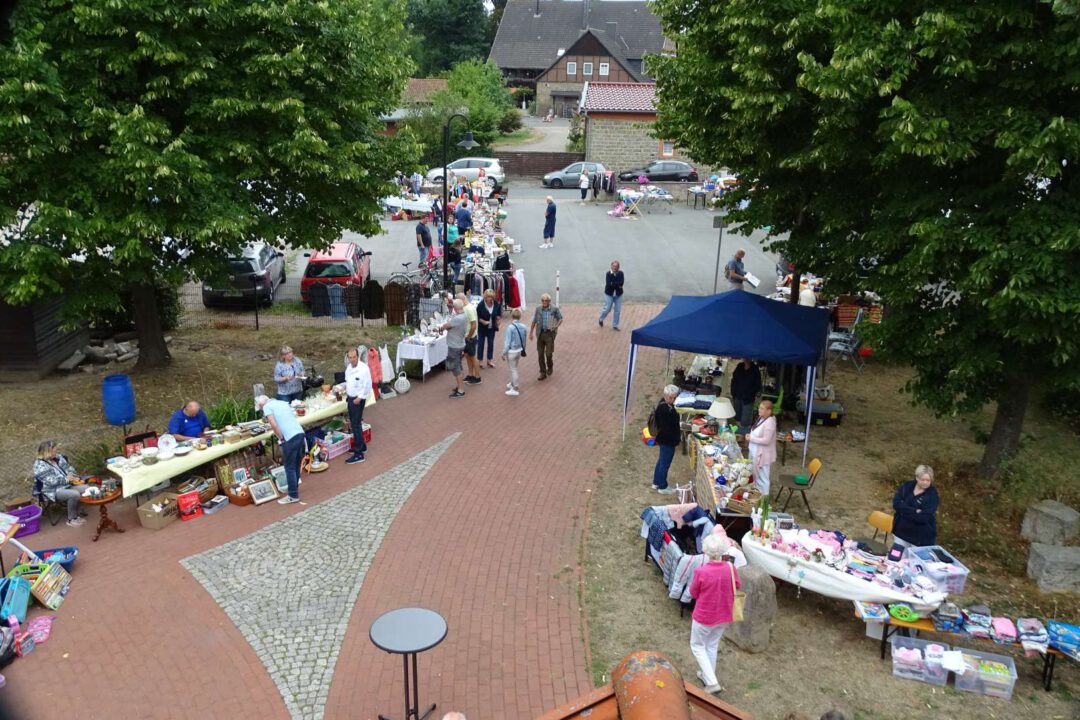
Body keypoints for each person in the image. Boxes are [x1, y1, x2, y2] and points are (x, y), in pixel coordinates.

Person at [689, 533, 741, 694]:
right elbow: (737, 585)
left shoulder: (701, 572)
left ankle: (711, 682)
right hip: (724, 614)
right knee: (711, 645)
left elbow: (693, 593)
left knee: (697, 645)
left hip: (704, 616)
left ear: (706, 551)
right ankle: (707, 675)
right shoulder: (731, 568)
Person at [256, 395, 305, 504]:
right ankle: (293, 488)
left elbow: (273, 424)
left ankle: (293, 495)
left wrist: (281, 438)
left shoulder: (267, 407)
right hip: (299, 433)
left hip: (289, 437)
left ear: (261, 404)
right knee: (295, 464)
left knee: (289, 467)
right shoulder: (282, 403)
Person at [32, 440, 87, 527]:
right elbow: (51, 481)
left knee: (86, 488)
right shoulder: (39, 465)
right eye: (54, 451)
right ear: (47, 452)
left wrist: (72, 474)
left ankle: (78, 511)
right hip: (52, 491)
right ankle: (71, 519)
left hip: (67, 485)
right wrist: (67, 479)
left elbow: (69, 468)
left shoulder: (58, 458)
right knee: (74, 494)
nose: (56, 452)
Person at [892, 465, 939, 547]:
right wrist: (915, 511)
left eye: (928, 480)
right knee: (895, 558)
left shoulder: (933, 496)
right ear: (917, 478)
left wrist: (903, 511)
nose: (925, 482)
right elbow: (896, 504)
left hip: (920, 539)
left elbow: (923, 518)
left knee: (912, 560)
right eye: (922, 479)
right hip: (900, 533)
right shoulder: (907, 487)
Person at [343, 348, 372, 465]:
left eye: (354, 357)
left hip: (357, 400)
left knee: (356, 424)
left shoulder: (363, 368)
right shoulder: (349, 369)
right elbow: (347, 382)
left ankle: (359, 453)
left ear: (358, 356)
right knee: (355, 423)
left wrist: (360, 398)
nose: (352, 359)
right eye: (350, 357)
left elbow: (367, 384)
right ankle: (361, 445)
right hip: (350, 398)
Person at [652, 385, 681, 494]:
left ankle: (656, 482)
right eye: (670, 398)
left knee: (661, 461)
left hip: (664, 440)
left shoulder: (663, 405)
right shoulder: (665, 410)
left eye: (674, 398)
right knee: (665, 463)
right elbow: (668, 427)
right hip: (667, 441)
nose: (672, 400)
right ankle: (662, 486)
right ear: (665, 396)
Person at [529, 293, 563, 380]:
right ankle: (542, 372)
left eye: (546, 301)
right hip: (540, 334)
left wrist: (556, 326)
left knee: (548, 354)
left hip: (549, 335)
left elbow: (560, 318)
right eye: (542, 300)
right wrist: (531, 332)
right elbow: (534, 321)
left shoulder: (554, 309)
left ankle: (550, 366)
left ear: (549, 301)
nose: (544, 302)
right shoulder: (538, 309)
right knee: (540, 354)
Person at [440, 299, 469, 398]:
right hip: (460, 344)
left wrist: (443, 327)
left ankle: (460, 390)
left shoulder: (457, 318)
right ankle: (459, 386)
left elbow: (446, 326)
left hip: (454, 346)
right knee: (458, 366)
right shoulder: (464, 316)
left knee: (455, 367)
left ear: (455, 308)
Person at [747, 399, 777, 495]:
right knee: (755, 475)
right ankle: (756, 496)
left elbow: (766, 440)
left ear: (769, 411)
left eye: (762, 408)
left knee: (763, 478)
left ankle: (764, 499)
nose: (759, 410)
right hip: (754, 451)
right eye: (759, 408)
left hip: (763, 455)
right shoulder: (762, 418)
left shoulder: (770, 422)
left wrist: (751, 438)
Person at [501, 308, 527, 396]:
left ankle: (515, 387)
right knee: (515, 367)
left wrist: (504, 353)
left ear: (512, 316)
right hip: (519, 350)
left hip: (511, 351)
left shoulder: (510, 327)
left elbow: (507, 342)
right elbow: (524, 341)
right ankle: (512, 383)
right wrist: (523, 348)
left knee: (513, 369)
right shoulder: (524, 327)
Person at [730, 359, 762, 428]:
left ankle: (744, 433)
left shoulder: (755, 369)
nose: (746, 359)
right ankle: (737, 432)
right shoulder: (740, 366)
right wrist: (733, 392)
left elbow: (758, 385)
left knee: (745, 419)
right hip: (737, 395)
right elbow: (734, 379)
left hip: (748, 398)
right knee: (737, 416)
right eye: (745, 357)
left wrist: (751, 392)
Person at [458, 292, 481, 384]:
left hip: (470, 337)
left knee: (472, 357)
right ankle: (471, 375)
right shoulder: (466, 308)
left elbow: (474, 325)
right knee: (468, 356)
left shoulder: (470, 309)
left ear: (462, 300)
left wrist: (468, 336)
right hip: (467, 337)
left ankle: (478, 377)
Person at [475, 289, 501, 369]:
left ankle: (489, 360)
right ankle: (480, 361)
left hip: (491, 328)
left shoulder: (496, 304)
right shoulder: (480, 305)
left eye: (491, 297)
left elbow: (498, 314)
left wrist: (498, 319)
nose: (490, 299)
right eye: (488, 297)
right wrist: (482, 321)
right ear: (485, 297)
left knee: (490, 344)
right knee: (481, 344)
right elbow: (477, 316)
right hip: (482, 328)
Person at [598, 260, 624, 330]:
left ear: (618, 267)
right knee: (607, 308)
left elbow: (621, 283)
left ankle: (615, 325)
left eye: (616, 266)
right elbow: (609, 284)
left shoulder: (621, 273)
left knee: (617, 310)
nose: (615, 268)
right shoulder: (608, 274)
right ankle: (601, 318)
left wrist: (614, 284)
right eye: (613, 266)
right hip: (609, 294)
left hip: (618, 295)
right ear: (611, 266)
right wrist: (617, 284)